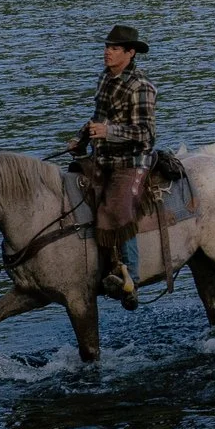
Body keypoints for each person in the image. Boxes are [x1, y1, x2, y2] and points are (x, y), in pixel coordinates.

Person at [67, 24, 156, 309]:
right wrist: (81, 139)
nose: (107, 52)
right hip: (102, 160)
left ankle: (132, 279)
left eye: (115, 48)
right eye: (107, 46)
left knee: (118, 209)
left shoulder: (140, 86)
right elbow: (97, 117)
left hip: (130, 163)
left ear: (130, 53)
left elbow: (146, 134)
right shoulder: (105, 78)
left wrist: (110, 132)